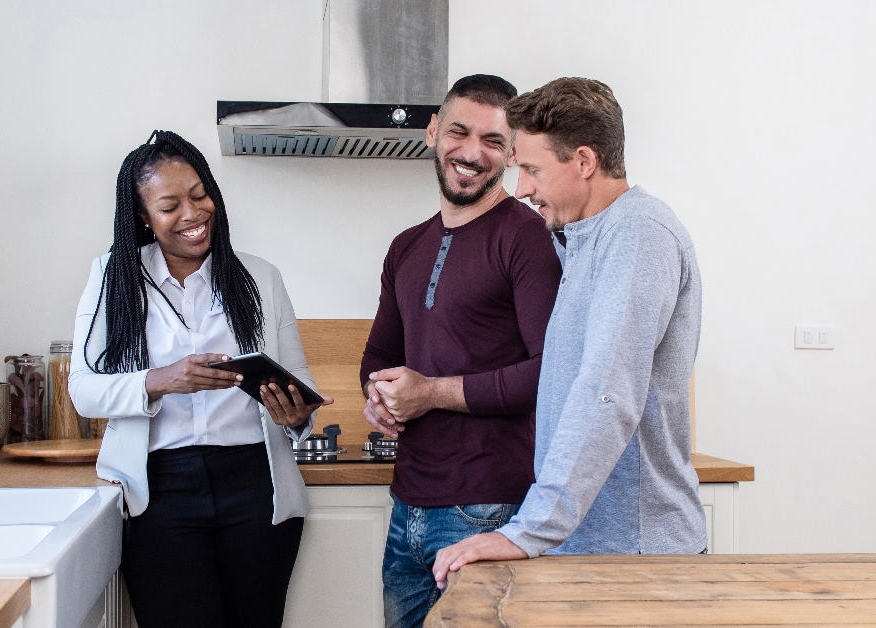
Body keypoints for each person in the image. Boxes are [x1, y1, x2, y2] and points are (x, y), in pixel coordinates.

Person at [431, 77, 707, 588]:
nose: (522, 189)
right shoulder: (584, 238)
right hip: (591, 545)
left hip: (634, 554)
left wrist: (530, 530)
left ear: (584, 161)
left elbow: (608, 391)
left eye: (532, 169)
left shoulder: (638, 235)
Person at [68, 130, 331, 628]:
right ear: (143, 216)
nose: (192, 214)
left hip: (256, 487)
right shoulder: (113, 278)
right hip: (159, 491)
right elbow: (83, 390)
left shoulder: (260, 277)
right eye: (170, 205)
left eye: (199, 195)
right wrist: (160, 380)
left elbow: (297, 379)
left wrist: (297, 415)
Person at [360, 74, 562, 628]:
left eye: (494, 142)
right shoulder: (406, 245)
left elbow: (551, 374)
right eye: (459, 132)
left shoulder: (528, 237)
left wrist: (430, 393)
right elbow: (378, 353)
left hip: (491, 508)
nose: (472, 153)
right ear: (432, 132)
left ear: (513, 153)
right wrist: (377, 399)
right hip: (407, 506)